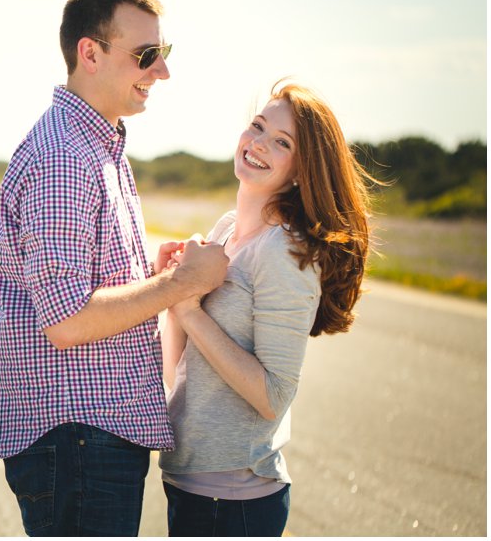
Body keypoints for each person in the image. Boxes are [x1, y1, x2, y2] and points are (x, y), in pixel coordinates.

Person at [0, 0, 229, 537]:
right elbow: (68, 320)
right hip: (77, 440)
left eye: (163, 54)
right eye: (146, 56)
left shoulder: (98, 145)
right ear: (89, 53)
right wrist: (181, 284)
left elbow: (82, 284)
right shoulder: (65, 158)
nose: (161, 72)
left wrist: (149, 273)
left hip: (88, 437)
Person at [158, 81, 377, 536]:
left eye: (281, 142)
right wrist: (172, 291)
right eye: (257, 126)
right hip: (189, 480)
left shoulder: (284, 252)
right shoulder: (224, 230)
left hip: (235, 499)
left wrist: (193, 309)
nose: (258, 143)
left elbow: (273, 396)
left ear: (301, 170)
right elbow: (178, 367)